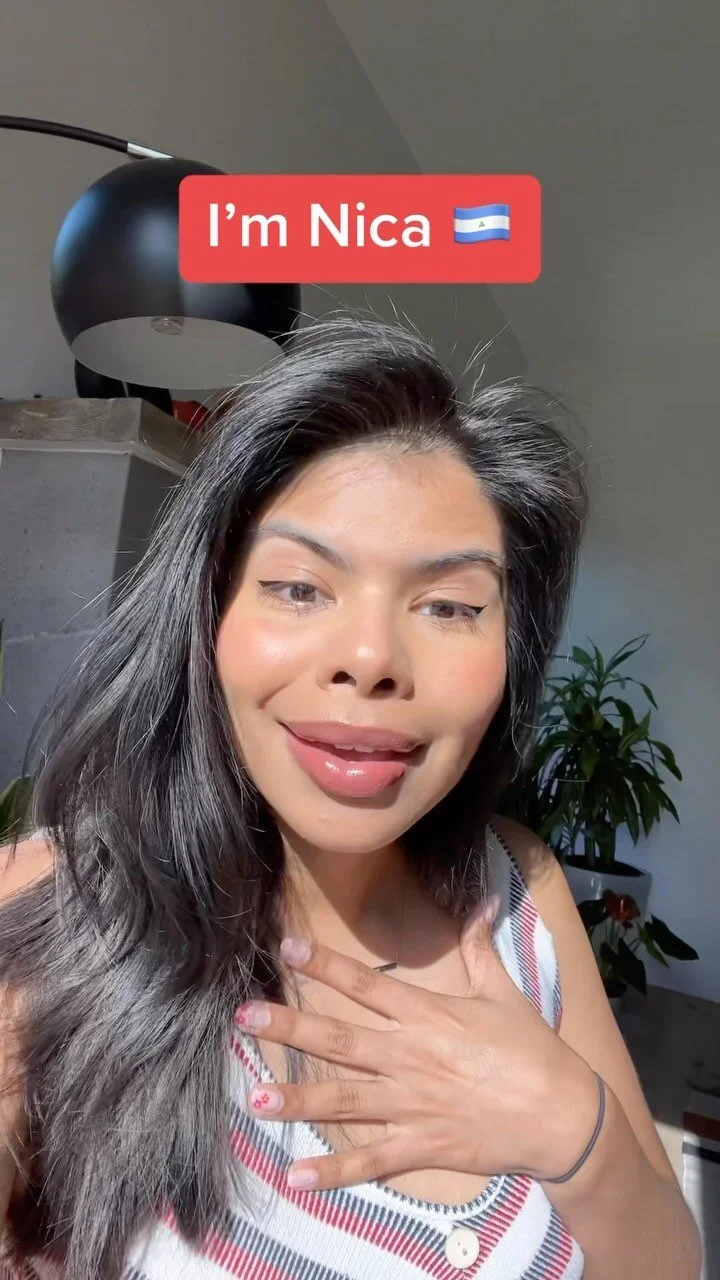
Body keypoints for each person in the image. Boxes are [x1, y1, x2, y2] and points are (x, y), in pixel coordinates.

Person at [0, 316, 701, 1280]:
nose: (371, 659)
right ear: (207, 612)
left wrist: (574, 1129)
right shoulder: (56, 912)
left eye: (450, 606)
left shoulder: (517, 892)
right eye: (299, 587)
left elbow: (668, 1259)